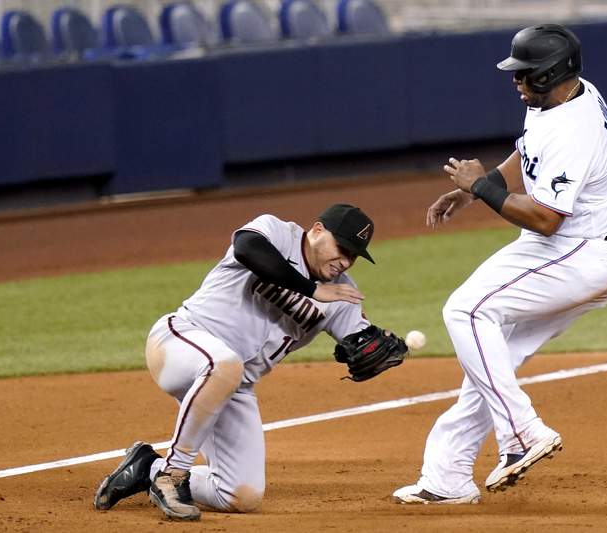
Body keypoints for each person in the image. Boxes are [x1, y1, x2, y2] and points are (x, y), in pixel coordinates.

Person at [393, 24, 607, 505]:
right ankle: (447, 477)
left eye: (527, 75)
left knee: (467, 311)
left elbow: (545, 219)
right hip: (581, 250)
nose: (517, 82)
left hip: (574, 251)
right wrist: (472, 192)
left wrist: (483, 187)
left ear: (554, 73)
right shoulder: (563, 100)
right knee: (490, 355)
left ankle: (522, 433)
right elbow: (528, 153)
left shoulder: (573, 128)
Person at [94, 203, 406, 520]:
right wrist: (311, 289)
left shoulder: (342, 294)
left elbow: (362, 341)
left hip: (233, 385)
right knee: (227, 365)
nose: (345, 261)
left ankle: (147, 467)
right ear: (316, 230)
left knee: (240, 494)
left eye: (353, 255)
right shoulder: (278, 233)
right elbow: (247, 249)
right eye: (342, 248)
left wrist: (379, 349)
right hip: (181, 341)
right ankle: (171, 475)